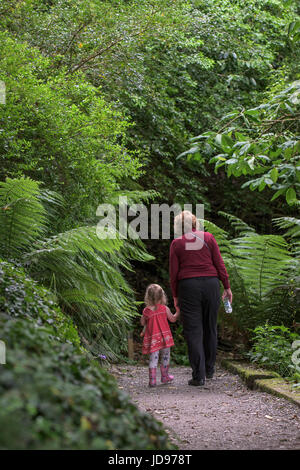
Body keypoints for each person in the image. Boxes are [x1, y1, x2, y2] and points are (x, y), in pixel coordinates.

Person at [169, 211, 232, 387]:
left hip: (188, 287)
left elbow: (173, 274)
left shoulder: (176, 244)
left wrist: (175, 296)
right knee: (210, 327)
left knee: (194, 331)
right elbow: (220, 264)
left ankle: (199, 376)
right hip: (211, 284)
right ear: (195, 223)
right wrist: (226, 287)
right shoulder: (209, 238)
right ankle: (209, 369)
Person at [141, 283, 180, 387]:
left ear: (148, 297)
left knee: (153, 358)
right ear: (162, 296)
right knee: (165, 357)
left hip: (153, 340)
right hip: (164, 338)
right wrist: (178, 312)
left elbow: (142, 323)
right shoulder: (164, 308)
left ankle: (152, 381)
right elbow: (173, 319)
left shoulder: (146, 311)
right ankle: (164, 376)